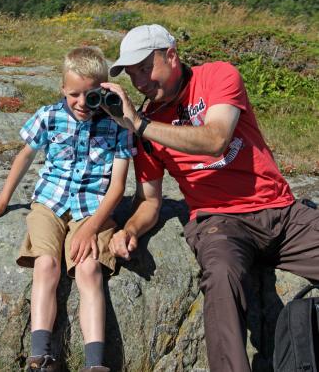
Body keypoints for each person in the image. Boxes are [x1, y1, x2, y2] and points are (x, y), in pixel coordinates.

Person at [101, 24, 319, 372]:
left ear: (171, 56)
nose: (140, 82)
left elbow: (217, 138)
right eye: (131, 75)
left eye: (145, 68)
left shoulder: (218, 75)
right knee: (221, 276)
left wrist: (140, 124)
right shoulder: (146, 125)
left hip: (281, 211)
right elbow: (150, 200)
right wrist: (130, 229)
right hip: (220, 222)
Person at [0, 46, 136, 372]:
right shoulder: (49, 116)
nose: (81, 102)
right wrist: (3, 200)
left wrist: (91, 228)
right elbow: (25, 157)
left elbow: (117, 187)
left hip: (93, 208)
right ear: (62, 89)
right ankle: (40, 355)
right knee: (46, 264)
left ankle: (94, 363)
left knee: (89, 269)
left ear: (103, 91)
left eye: (91, 95)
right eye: (73, 93)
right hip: (49, 203)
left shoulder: (117, 126)